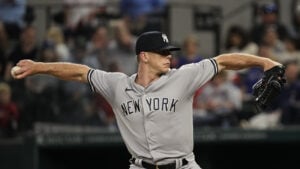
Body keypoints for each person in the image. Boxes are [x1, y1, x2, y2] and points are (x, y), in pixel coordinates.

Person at [12, 31, 282, 169]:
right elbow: (80, 72)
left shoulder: (183, 77)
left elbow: (223, 61)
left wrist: (263, 62)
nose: (169, 56)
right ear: (144, 56)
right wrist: (39, 66)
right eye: (162, 52)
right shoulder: (117, 85)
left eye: (169, 52)